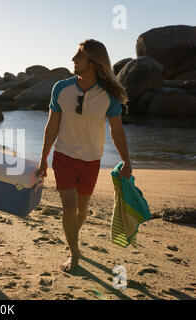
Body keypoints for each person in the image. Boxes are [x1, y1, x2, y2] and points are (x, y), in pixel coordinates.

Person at [37, 39, 132, 272]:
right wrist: (43, 158)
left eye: (79, 55)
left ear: (94, 61)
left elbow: (116, 129)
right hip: (64, 156)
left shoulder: (108, 95)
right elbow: (51, 126)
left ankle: (71, 237)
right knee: (68, 208)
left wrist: (126, 160)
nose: (73, 59)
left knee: (82, 211)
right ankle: (74, 253)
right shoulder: (61, 88)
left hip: (92, 160)